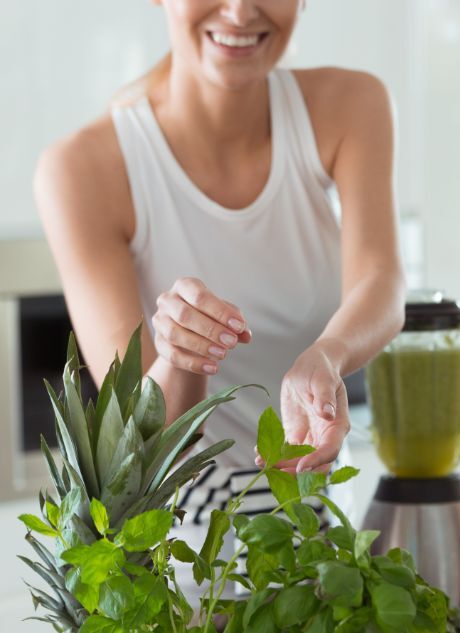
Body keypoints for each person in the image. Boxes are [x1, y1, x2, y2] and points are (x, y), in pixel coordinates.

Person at [33, 0, 404, 556]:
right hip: (178, 571)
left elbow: (381, 281)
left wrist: (327, 354)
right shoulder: (82, 169)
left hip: (322, 550)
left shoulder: (351, 106)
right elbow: (137, 445)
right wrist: (183, 356)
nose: (238, 11)